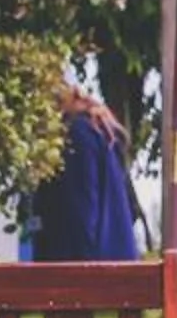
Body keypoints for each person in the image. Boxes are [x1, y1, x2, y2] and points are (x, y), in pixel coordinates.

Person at [30, 87, 144, 262]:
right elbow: (131, 208)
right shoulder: (100, 132)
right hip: (115, 269)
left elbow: (80, 219)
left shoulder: (75, 136)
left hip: (85, 276)